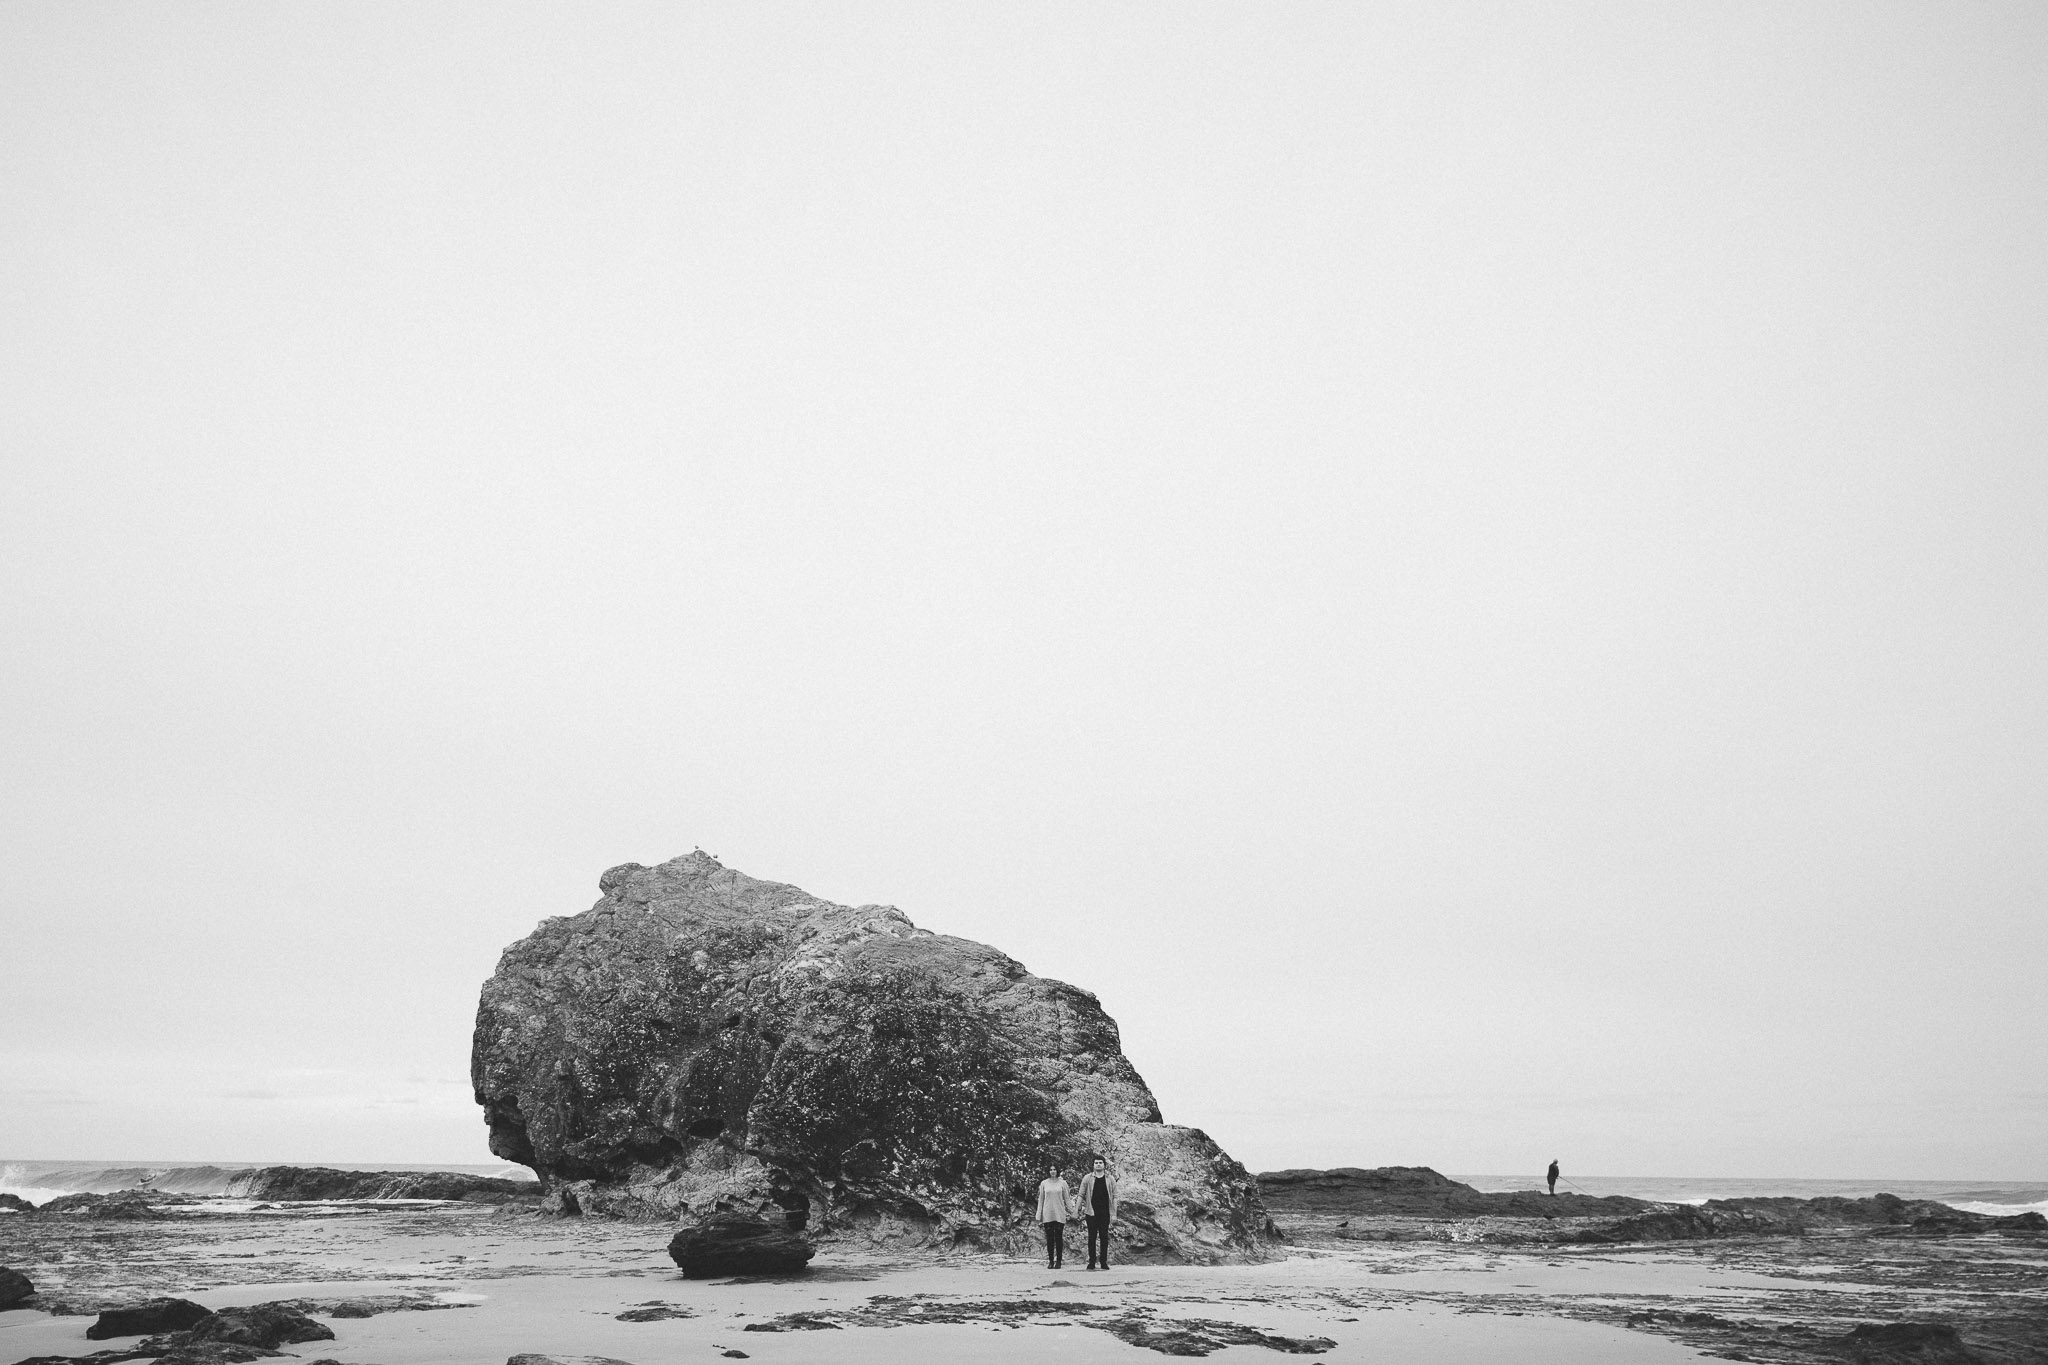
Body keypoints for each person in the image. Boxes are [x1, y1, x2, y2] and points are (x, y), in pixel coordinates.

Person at [1076, 1156, 1117, 1270]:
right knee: (1092, 1237)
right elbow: (1081, 1195)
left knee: (1104, 1237)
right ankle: (1092, 1262)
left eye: (1100, 1163)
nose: (1098, 1164)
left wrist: (1114, 1214)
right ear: (1093, 1165)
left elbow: (1114, 1197)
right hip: (1091, 1212)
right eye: (1096, 1163)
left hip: (1105, 1212)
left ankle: (1103, 1262)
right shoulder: (1087, 1178)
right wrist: (1076, 1210)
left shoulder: (1110, 1179)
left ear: (1104, 1165)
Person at [1034, 1165, 1074, 1268]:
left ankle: (1059, 1261)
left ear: (1057, 1171)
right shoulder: (1044, 1183)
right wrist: (1038, 1215)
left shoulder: (1063, 1183)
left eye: (1054, 1169)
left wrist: (1072, 1212)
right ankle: (1051, 1261)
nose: (1052, 1171)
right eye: (1050, 1169)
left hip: (1059, 1213)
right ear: (1048, 1171)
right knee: (1049, 1238)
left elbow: (1067, 1199)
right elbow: (1041, 1200)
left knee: (1059, 1238)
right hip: (1047, 1214)